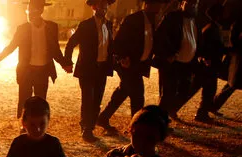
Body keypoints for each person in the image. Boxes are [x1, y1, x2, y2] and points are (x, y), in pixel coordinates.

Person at [0, 0, 73, 118]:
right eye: (28, 9)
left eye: (31, 9)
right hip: (26, 71)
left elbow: (55, 50)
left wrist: (65, 64)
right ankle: (24, 125)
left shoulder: (51, 27)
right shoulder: (22, 29)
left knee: (40, 100)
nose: (28, 12)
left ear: (40, 10)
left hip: (43, 71)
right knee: (24, 99)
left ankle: (39, 124)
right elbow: (10, 47)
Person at [97, 0, 164, 131]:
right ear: (148, 5)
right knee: (138, 95)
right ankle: (137, 126)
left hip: (137, 64)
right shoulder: (133, 19)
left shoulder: (152, 20)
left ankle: (103, 117)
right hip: (126, 64)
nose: (160, 7)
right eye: (158, 4)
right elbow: (119, 40)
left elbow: (151, 41)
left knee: (124, 91)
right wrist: (122, 57)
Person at [64, 0, 115, 142]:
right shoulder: (85, 25)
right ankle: (86, 129)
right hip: (87, 68)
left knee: (97, 99)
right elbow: (71, 44)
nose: (103, 8)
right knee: (88, 99)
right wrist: (67, 62)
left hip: (102, 68)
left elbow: (110, 47)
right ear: (94, 7)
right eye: (100, 5)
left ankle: (90, 126)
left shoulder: (109, 24)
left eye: (105, 6)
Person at [154, 0, 201, 119]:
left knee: (185, 90)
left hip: (188, 63)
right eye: (189, 3)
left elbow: (196, 38)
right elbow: (160, 36)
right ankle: (160, 120)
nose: (193, 5)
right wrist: (168, 54)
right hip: (172, 62)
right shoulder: (172, 17)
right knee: (168, 93)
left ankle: (170, 110)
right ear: (182, 4)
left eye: (195, 3)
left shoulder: (195, 19)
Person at [192, 3, 227, 122]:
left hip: (211, 63)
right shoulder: (212, 29)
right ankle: (201, 113)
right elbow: (207, 46)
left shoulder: (213, 28)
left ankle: (203, 112)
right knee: (209, 89)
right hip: (209, 64)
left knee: (209, 89)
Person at [213, 17, 242, 112]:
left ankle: (214, 104)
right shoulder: (239, 22)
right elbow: (233, 39)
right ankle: (214, 104)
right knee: (233, 84)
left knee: (232, 84)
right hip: (240, 58)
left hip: (239, 57)